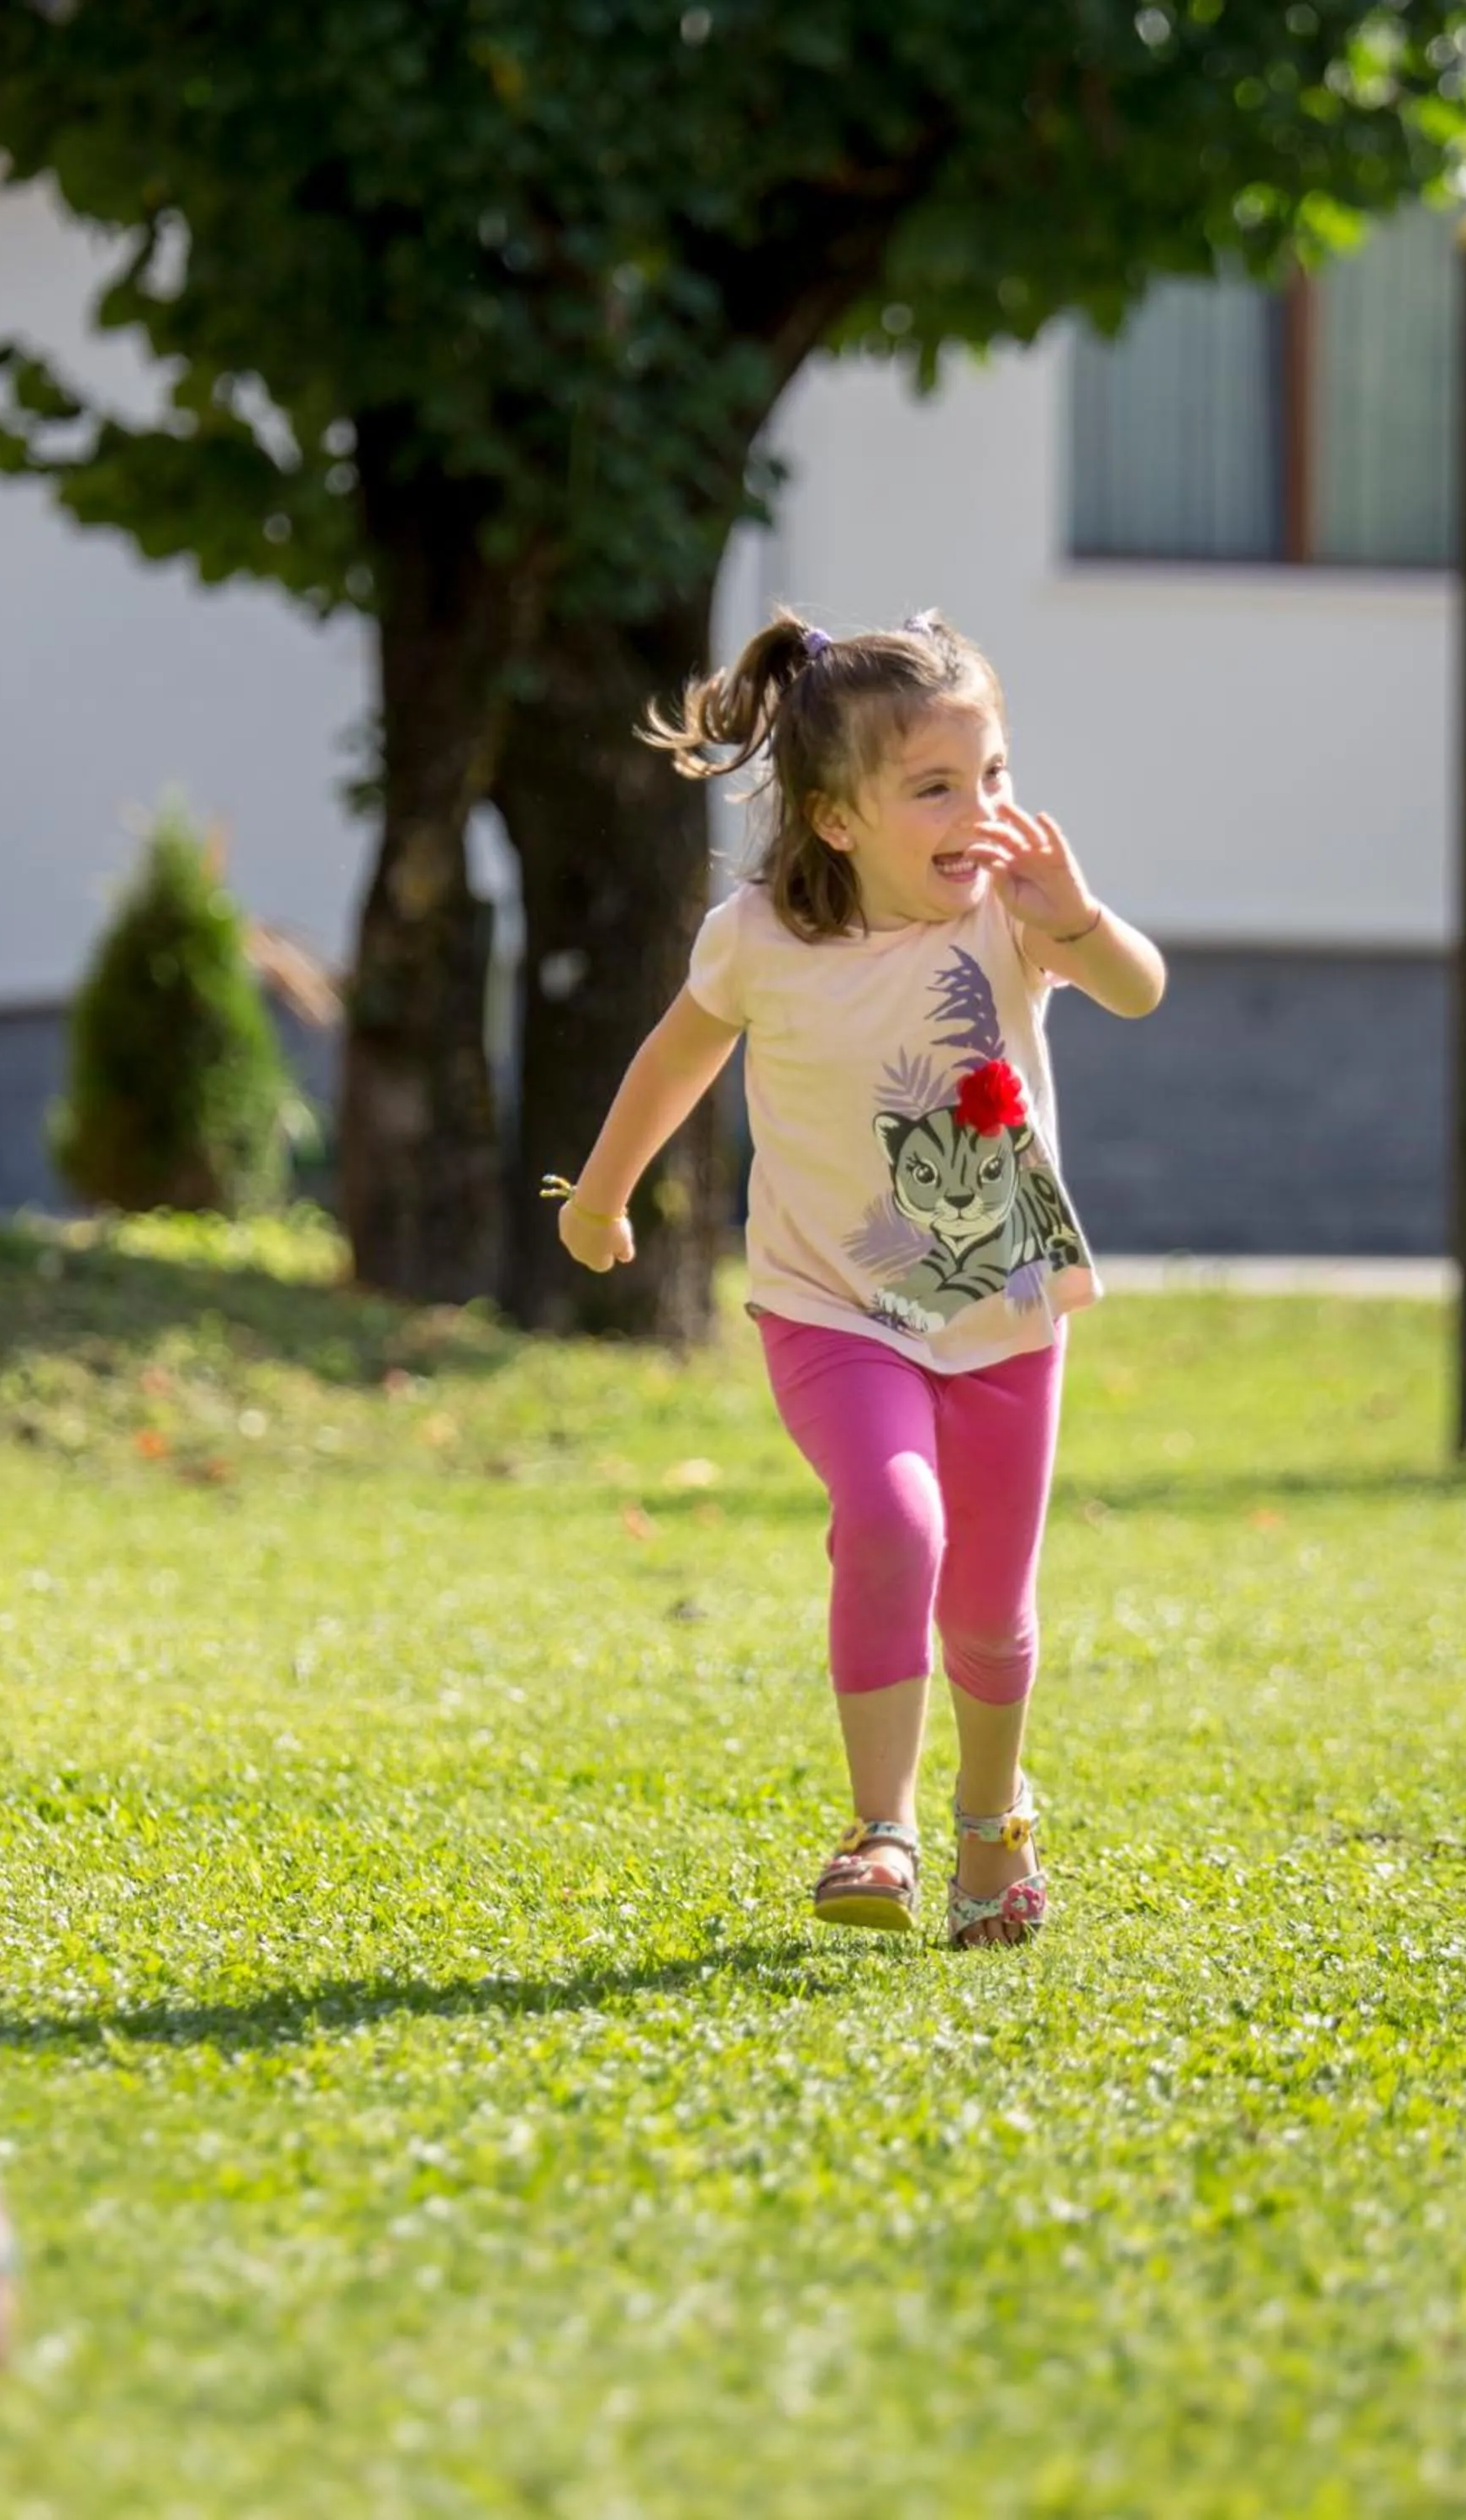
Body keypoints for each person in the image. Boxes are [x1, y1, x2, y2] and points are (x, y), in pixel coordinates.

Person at [546, 612, 1165, 1947]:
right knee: (895, 1525)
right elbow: (672, 1063)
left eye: (992, 774)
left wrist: (1085, 919)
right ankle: (880, 1829)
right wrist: (600, 1197)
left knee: (992, 1609)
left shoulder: (1012, 913)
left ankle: (992, 1829)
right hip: (830, 1307)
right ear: (834, 820)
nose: (981, 810)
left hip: (1001, 1312)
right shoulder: (759, 937)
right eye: (937, 787)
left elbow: (1139, 991)